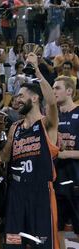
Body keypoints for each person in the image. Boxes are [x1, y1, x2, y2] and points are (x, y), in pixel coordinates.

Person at [0, 53, 59, 249]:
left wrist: (36, 69)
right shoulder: (15, 128)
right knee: (13, 244)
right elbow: (5, 157)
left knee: (42, 245)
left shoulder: (47, 123)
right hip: (16, 193)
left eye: (21, 95)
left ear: (35, 98)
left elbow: (52, 103)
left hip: (40, 192)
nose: (16, 99)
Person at [52, 76, 79, 249]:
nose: (53, 91)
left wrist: (64, 154)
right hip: (57, 179)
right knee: (60, 225)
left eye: (57, 88)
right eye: (53, 88)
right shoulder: (51, 117)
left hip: (76, 179)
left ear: (69, 91)